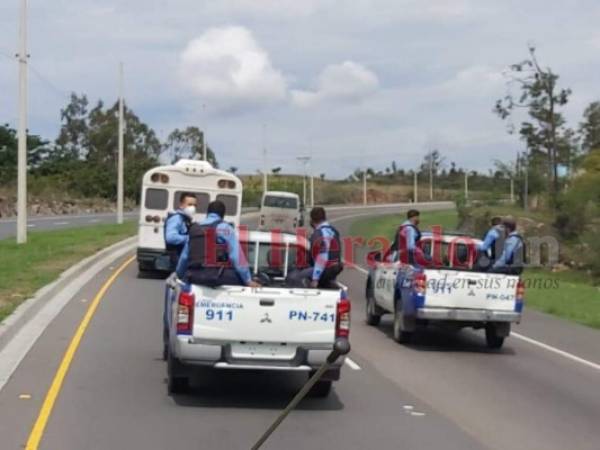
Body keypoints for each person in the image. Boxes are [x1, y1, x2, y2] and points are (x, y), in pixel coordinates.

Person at [176, 200, 261, 288]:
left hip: (194, 277)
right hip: (215, 276)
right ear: (222, 215)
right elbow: (236, 257)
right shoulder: (224, 228)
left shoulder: (193, 229)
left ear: (207, 213)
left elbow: (184, 257)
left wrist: (180, 274)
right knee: (242, 279)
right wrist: (247, 280)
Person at [287, 207, 343, 288]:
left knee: (293, 277)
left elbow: (322, 256)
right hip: (334, 269)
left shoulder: (318, 234)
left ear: (312, 220)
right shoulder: (334, 231)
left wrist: (315, 279)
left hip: (324, 268)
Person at [164, 192, 197, 269]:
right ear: (181, 205)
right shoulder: (176, 218)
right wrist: (190, 238)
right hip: (177, 259)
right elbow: (171, 237)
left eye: (195, 205)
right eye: (190, 204)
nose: (193, 208)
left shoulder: (186, 219)